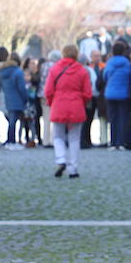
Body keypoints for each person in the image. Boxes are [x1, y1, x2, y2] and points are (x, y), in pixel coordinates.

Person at [45, 45, 93, 178]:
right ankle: (73, 169)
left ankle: (60, 159)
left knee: (58, 136)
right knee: (74, 138)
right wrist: (80, 101)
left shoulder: (54, 69)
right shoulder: (82, 71)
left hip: (59, 104)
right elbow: (88, 93)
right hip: (76, 105)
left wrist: (51, 103)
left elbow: (48, 91)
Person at [101, 40, 131, 150]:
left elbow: (105, 76)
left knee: (112, 118)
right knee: (123, 118)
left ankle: (113, 142)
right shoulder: (127, 63)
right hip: (123, 94)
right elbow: (130, 77)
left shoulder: (109, 62)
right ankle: (122, 142)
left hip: (110, 94)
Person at [0, 54, 31, 149]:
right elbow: (21, 88)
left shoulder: (2, 72)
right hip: (17, 99)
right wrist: (26, 98)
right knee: (14, 122)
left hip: (8, 99)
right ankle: (12, 142)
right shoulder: (18, 72)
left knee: (11, 121)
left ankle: (9, 141)